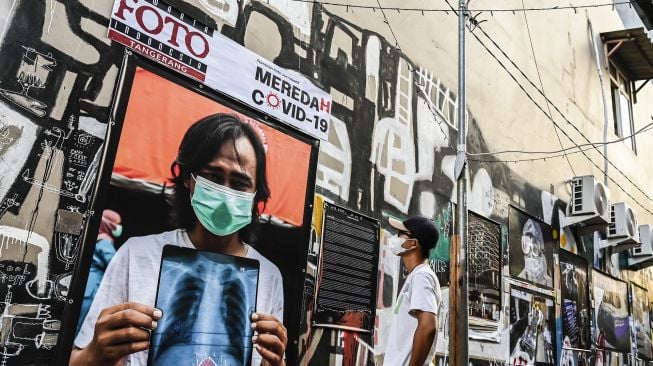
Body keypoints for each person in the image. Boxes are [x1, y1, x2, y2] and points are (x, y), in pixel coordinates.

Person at [71, 114, 287, 366]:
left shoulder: (269, 276)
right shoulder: (137, 255)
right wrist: (95, 353)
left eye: (239, 183)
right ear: (188, 178)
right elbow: (77, 358)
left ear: (255, 196)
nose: (226, 193)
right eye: (214, 177)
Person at [383, 215, 442, 366]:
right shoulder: (416, 276)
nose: (395, 238)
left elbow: (428, 326)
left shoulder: (421, 276)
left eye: (400, 234)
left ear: (413, 243)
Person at [75, 209, 122, 335]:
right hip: (92, 286)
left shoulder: (94, 237)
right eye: (116, 224)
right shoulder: (104, 241)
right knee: (81, 322)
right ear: (108, 224)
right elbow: (115, 263)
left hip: (86, 282)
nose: (118, 227)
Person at [517, 219, 552, 287]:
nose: (530, 255)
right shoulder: (518, 280)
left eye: (535, 249)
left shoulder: (550, 283)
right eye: (526, 247)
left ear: (541, 250)